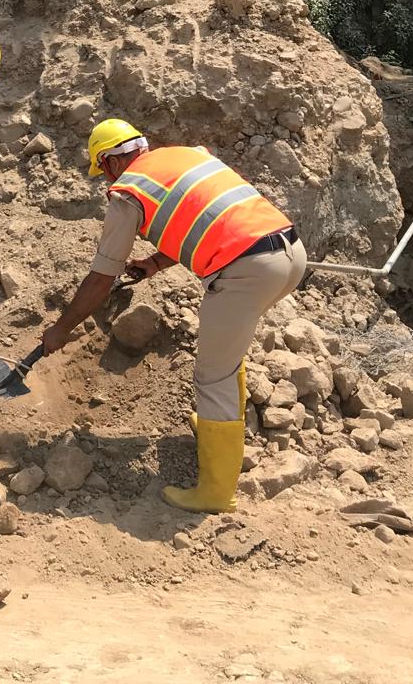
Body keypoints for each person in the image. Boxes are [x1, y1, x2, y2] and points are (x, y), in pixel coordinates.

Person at [39, 119, 307, 514]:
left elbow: (101, 277)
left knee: (213, 375)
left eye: (102, 170)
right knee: (225, 358)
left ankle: (215, 492)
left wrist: (60, 329)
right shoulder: (184, 155)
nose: (105, 180)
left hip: (246, 270)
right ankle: (219, 428)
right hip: (290, 254)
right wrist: (154, 263)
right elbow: (208, 217)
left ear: (111, 163)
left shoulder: (127, 191)